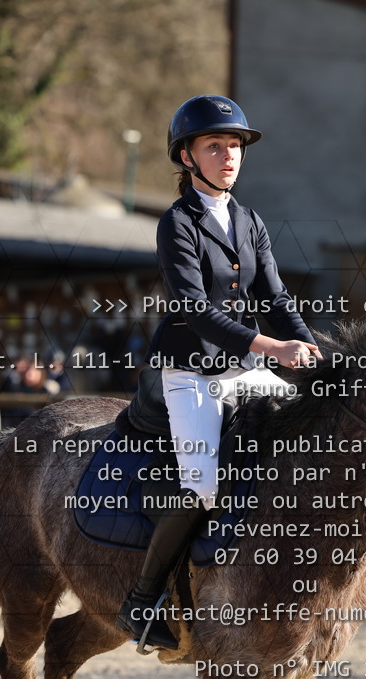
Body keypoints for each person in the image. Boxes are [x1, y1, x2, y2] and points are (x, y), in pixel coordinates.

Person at [116, 95, 320, 650]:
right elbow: (194, 308)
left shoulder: (249, 220)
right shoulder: (176, 223)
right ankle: (142, 600)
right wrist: (272, 347)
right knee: (202, 486)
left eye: (235, 146)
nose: (229, 156)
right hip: (190, 373)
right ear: (187, 157)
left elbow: (275, 298)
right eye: (215, 146)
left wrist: (309, 349)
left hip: (244, 367)